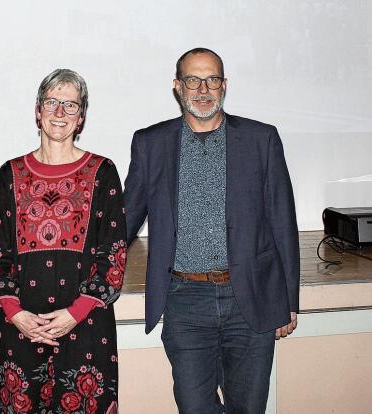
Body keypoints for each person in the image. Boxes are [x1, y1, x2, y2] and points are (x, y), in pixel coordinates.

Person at [123, 47, 300, 414]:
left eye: (212, 79)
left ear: (224, 85)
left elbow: (283, 223)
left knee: (248, 408)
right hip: (184, 299)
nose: (203, 89)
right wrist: (84, 270)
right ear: (177, 86)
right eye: (192, 79)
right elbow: (124, 221)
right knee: (194, 407)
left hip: (249, 297)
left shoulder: (261, 139)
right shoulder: (150, 143)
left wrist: (288, 301)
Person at [0, 69, 126, 413]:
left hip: (87, 329)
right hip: (21, 331)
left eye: (70, 105)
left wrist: (75, 313)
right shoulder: (10, 173)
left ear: (81, 118)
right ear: (37, 110)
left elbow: (114, 259)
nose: (60, 113)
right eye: (52, 102)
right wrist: (16, 313)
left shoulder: (103, 172)